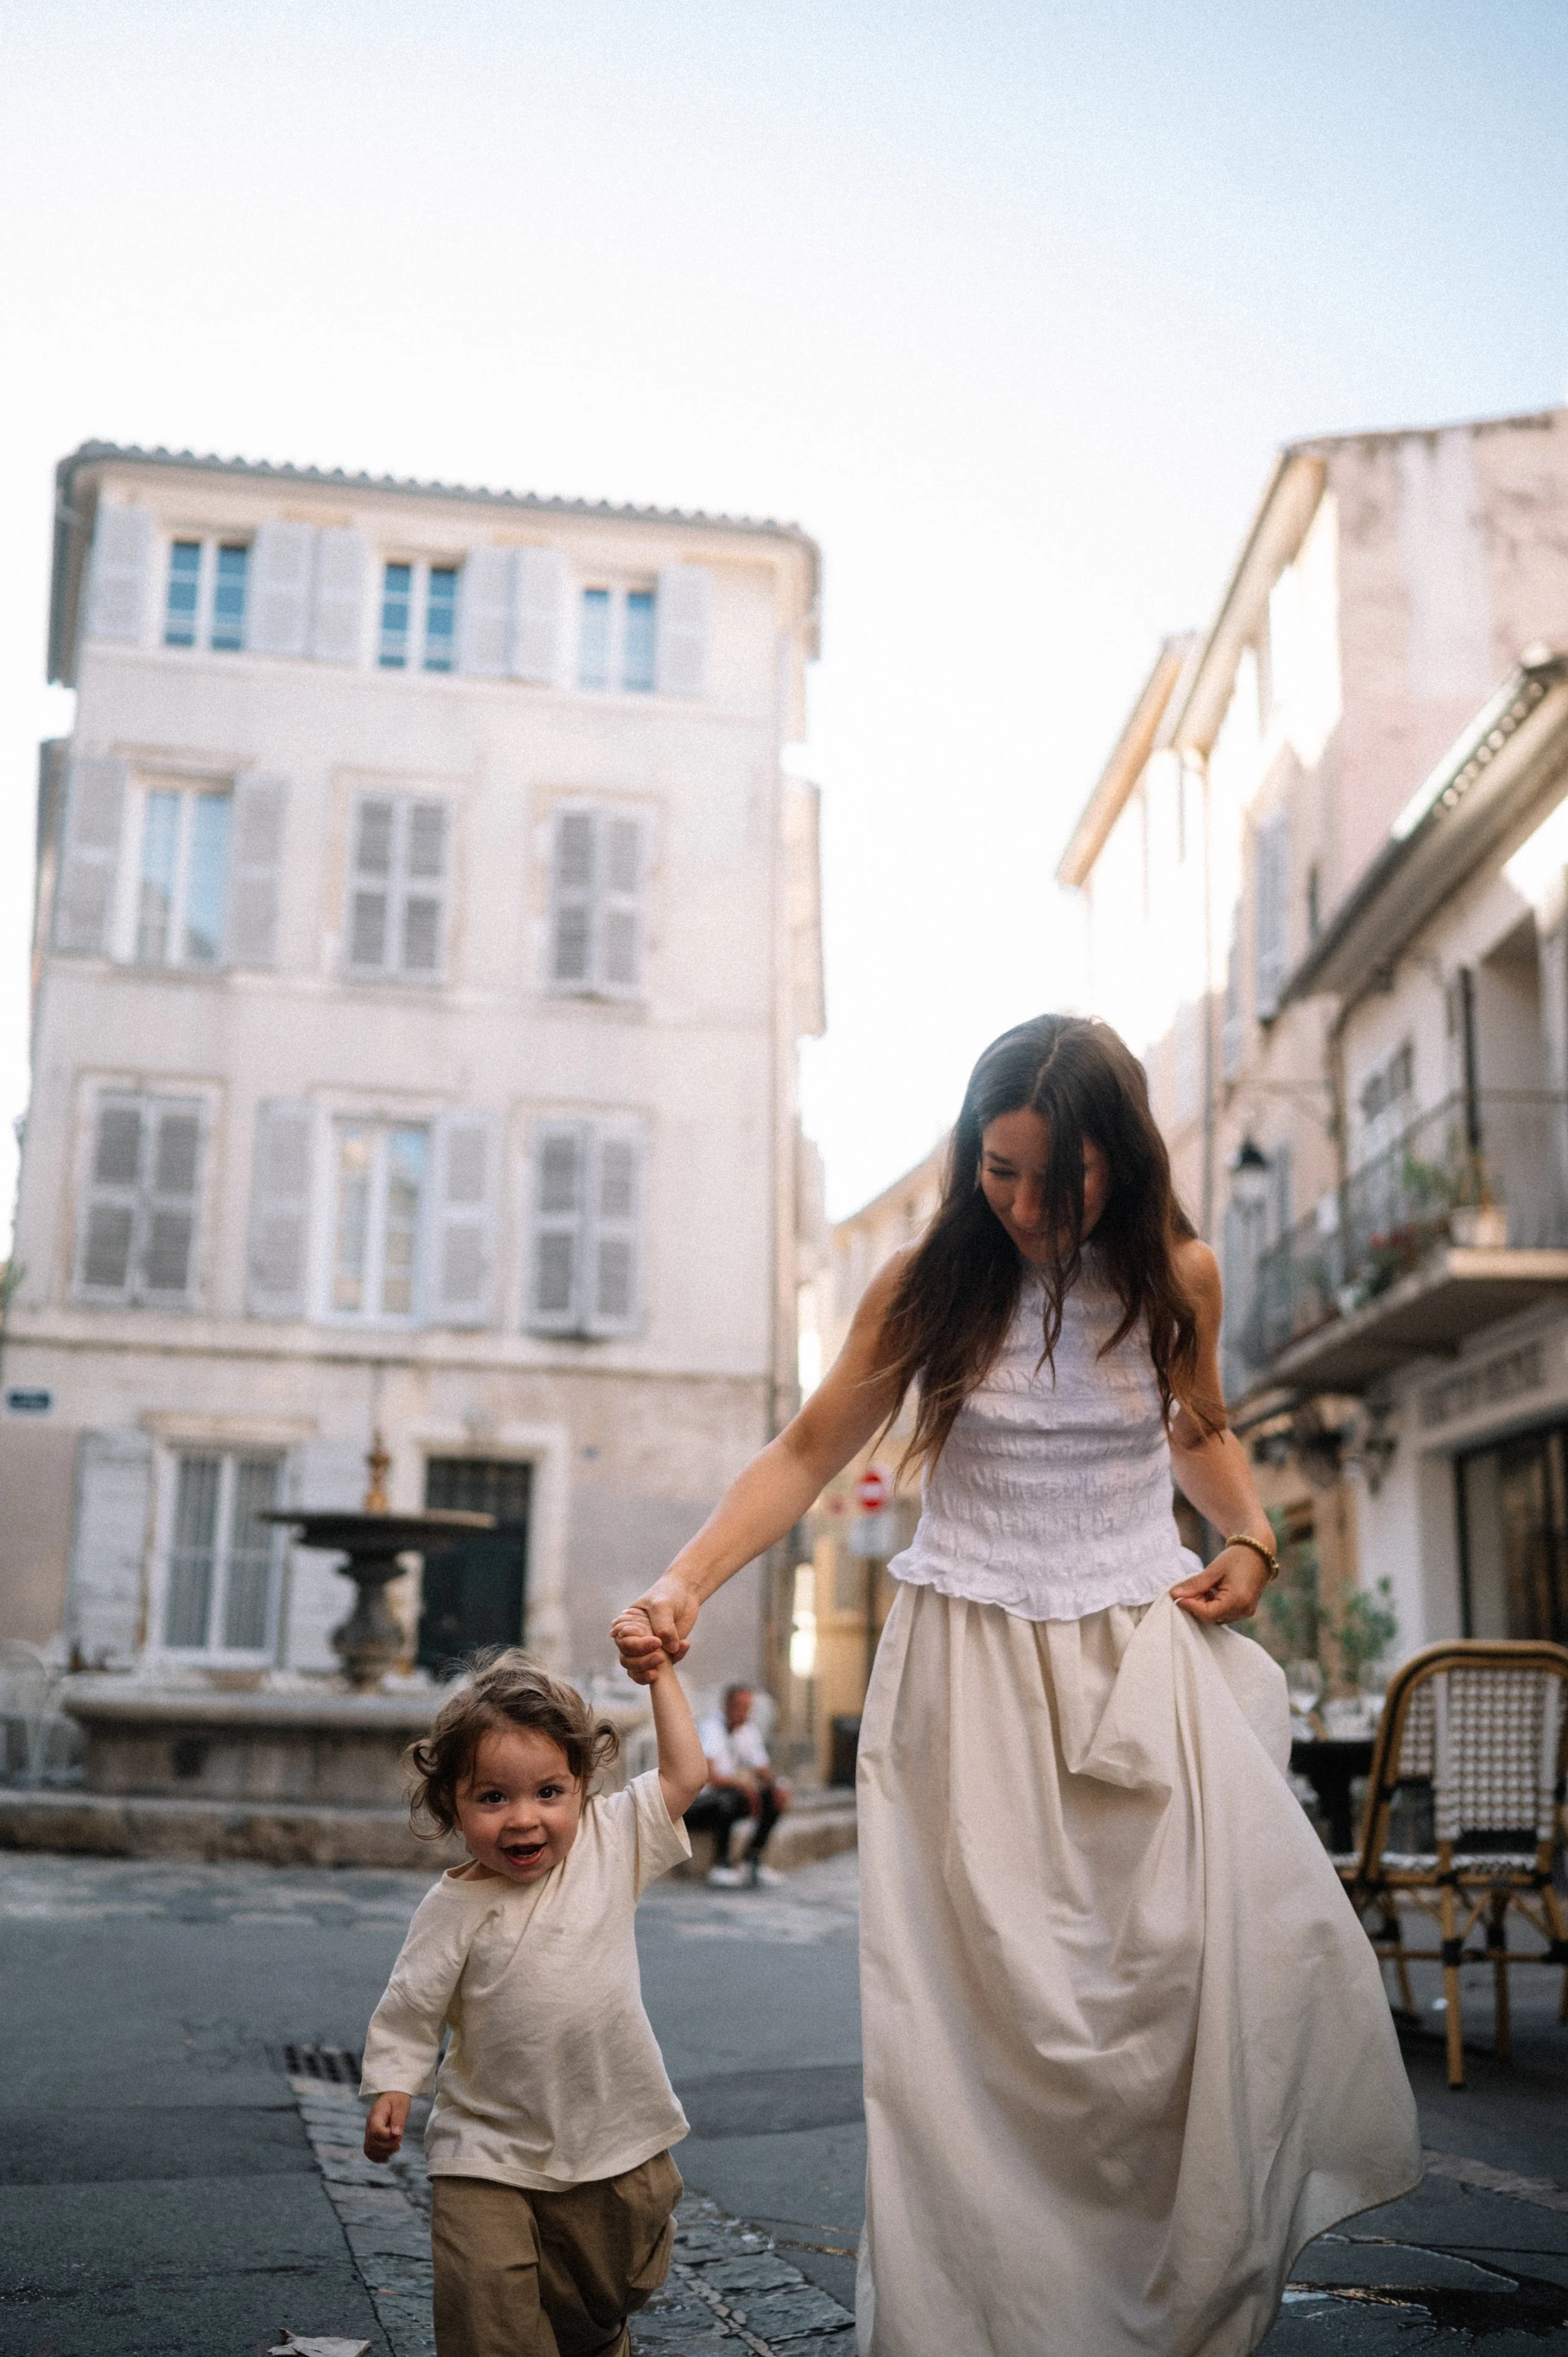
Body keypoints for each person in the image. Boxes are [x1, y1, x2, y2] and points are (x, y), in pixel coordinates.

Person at [612, 1014, 1421, 2357]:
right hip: (966, 1675)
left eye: (1064, 1176)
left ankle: (1154, 2309)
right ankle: (976, 2326)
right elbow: (809, 1449)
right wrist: (687, 1580)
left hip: (1135, 1665)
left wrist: (1255, 1535)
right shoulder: (924, 1285)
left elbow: (1198, 1428)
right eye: (1001, 1169)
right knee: (976, 2024)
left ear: (1125, 1159)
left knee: (1172, 1997)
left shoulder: (1180, 1276)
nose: (1030, 1204)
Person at [359, 1646, 707, 2357]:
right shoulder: (451, 1908)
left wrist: (660, 1677)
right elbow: (411, 2007)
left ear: (582, 1785)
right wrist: (394, 2082)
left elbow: (684, 1775)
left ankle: (597, 2335)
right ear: (451, 1803)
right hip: (484, 2146)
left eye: (549, 1792)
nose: (524, 1819)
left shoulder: (611, 1842)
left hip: (614, 2132)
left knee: (604, 2294)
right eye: (493, 1797)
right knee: (486, 2306)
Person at [686, 1683, 790, 1886]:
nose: (743, 1713)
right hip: (698, 1803)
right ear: (726, 1706)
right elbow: (709, 1776)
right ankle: (721, 1864)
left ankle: (752, 1859)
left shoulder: (748, 1732)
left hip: (734, 1796)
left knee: (773, 1796)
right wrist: (742, 1785)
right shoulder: (710, 1728)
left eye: (748, 1708)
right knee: (730, 1798)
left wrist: (776, 1786)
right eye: (739, 1706)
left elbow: (763, 1769)